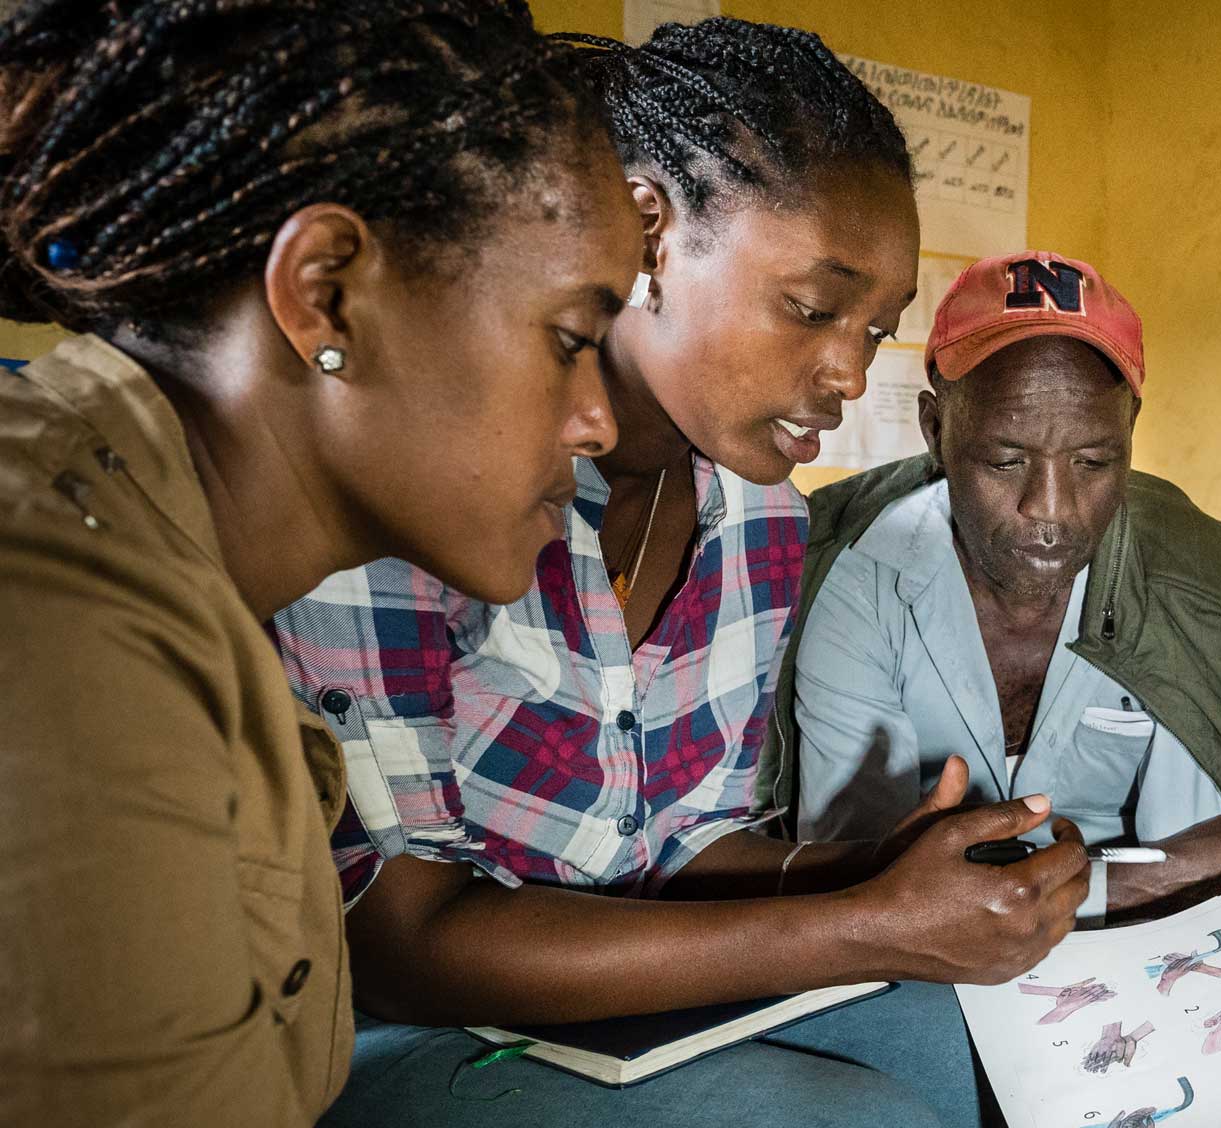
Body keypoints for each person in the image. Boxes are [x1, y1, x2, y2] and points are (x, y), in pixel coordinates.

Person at [269, 21, 1086, 1128]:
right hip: (397, 1023)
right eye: (810, 307)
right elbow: (399, 939)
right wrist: (857, 922)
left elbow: (676, 845)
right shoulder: (431, 483)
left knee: (949, 1038)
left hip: (613, 988)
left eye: (875, 329)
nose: (848, 370)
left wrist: (867, 878)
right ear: (649, 233)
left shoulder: (757, 523)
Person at [0, 0, 641, 1123]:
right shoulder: (68, 639)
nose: (596, 423)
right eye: (570, 340)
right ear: (325, 291)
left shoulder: (177, 571)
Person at [768, 250, 1221, 922]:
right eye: (1006, 459)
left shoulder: (1200, 588)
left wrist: (1166, 875)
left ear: (1129, 432)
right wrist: (1134, 876)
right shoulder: (861, 579)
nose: (1051, 508)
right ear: (935, 431)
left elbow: (1214, 883)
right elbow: (865, 886)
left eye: (1094, 461)